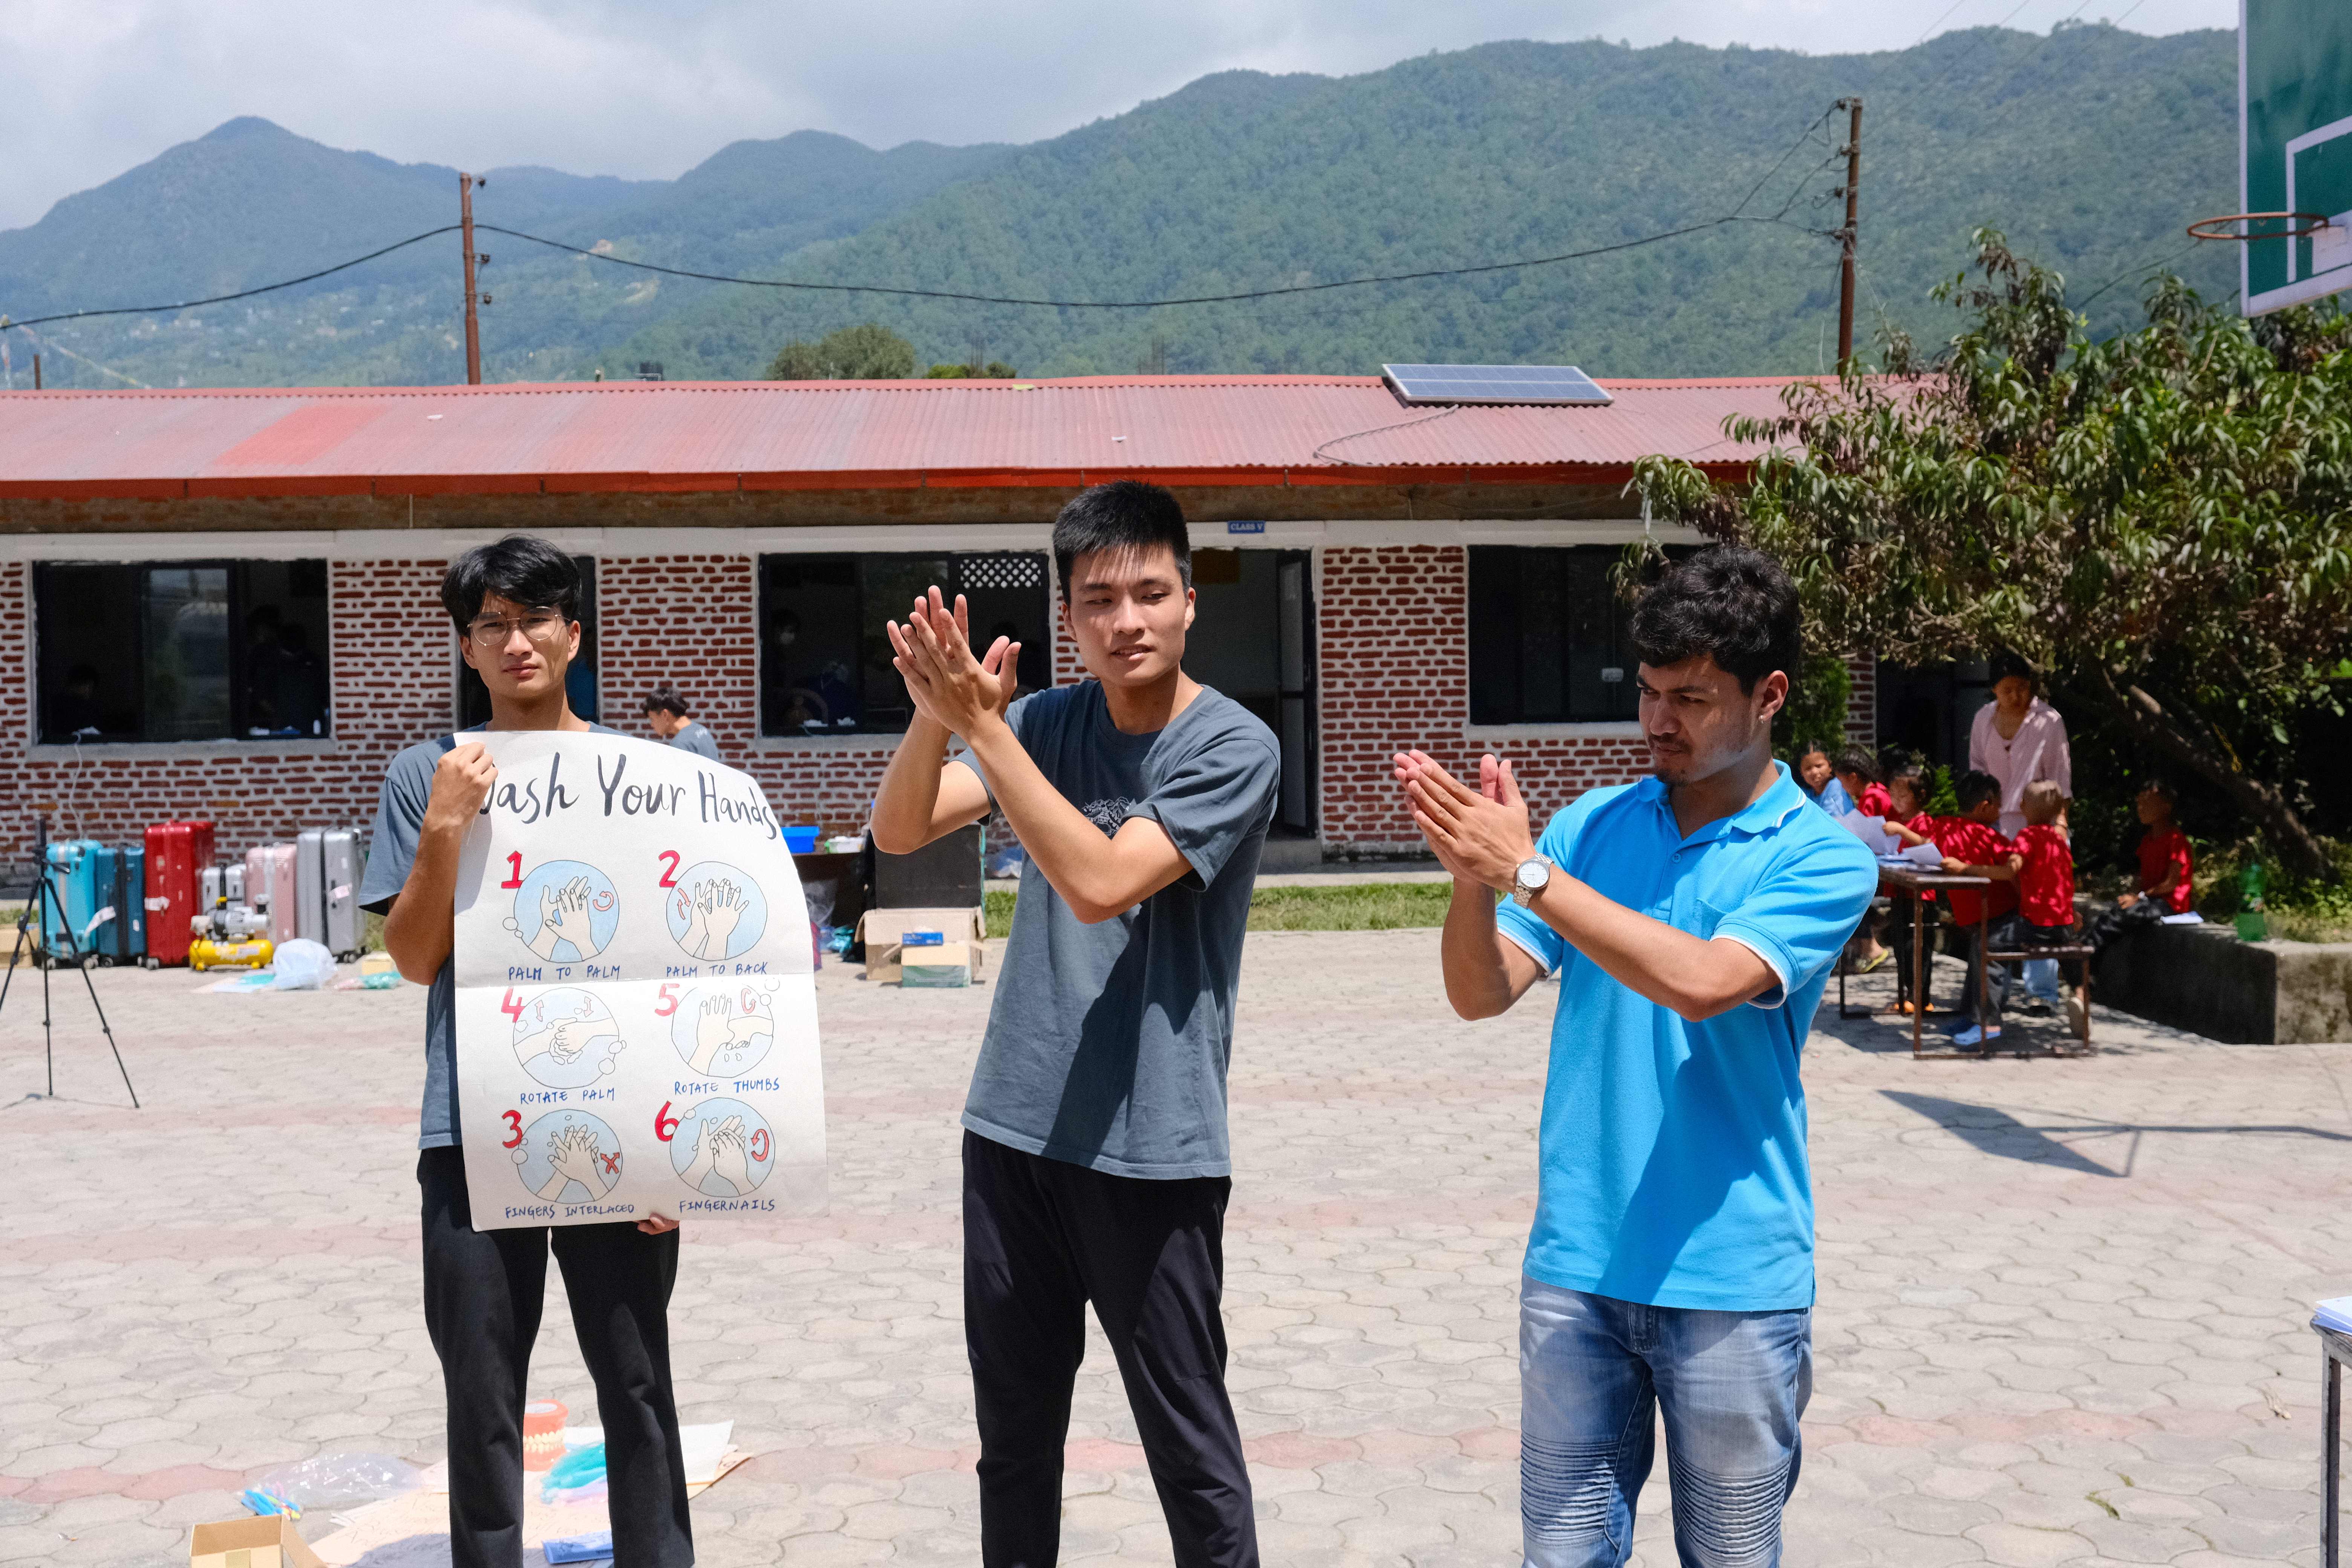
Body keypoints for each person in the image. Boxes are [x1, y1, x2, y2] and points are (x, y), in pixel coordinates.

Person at [1392, 545, 1876, 1568]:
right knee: (1562, 1555)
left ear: (1769, 695)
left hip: (1731, 1279)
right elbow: (1480, 993)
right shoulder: (1594, 826)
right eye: (1649, 692)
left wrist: (1526, 871)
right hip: (1578, 1265)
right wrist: (1475, 878)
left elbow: (1703, 981)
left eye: (1691, 699)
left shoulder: (1820, 853)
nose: (1658, 719)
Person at [868, 480, 1279, 1568]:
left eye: (1150, 593)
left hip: (1151, 1147)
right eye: (1099, 600)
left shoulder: (1232, 746)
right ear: (1070, 616)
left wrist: (982, 727)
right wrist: (934, 711)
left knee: (1188, 1449)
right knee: (1013, 1444)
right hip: (1013, 1131)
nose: (1126, 621)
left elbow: (1101, 882)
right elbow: (900, 829)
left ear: (1190, 601)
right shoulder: (1048, 722)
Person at [360, 536, 693, 1568]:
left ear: (573, 633)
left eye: (536, 618)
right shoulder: (427, 774)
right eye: (491, 625)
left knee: (637, 1384)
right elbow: (413, 957)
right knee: (483, 1395)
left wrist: (670, 1149)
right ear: (467, 648)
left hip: (618, 1126)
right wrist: (445, 828)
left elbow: (684, 967)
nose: (517, 642)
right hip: (473, 1123)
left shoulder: (642, 777)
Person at [1928, 770, 2023, 1050]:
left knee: (1985, 956)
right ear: (1985, 805)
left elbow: (1922, 844)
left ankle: (1987, 1023)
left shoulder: (1943, 827)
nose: (2000, 811)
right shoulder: (1995, 840)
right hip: (2003, 914)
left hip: (1998, 918)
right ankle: (1975, 1018)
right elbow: (2017, 877)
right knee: (1980, 954)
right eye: (1999, 805)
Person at [2005, 779, 2083, 1029]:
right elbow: (2065, 881)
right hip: (2063, 924)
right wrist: (2071, 911)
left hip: (2034, 924)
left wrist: (1975, 869)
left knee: (1992, 940)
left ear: (2023, 807)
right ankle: (2080, 994)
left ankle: (1991, 1002)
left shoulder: (2026, 836)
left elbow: (2013, 869)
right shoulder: (2060, 841)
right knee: (2067, 951)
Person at [1970, 652, 2071, 838]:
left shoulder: (2049, 721)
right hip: (1994, 824)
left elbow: (2061, 777)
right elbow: (1978, 770)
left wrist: (2061, 823)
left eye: (2022, 688)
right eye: (2007, 691)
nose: (2016, 697)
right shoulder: (1983, 719)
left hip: (2040, 824)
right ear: (1995, 689)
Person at [642, 685, 721, 760]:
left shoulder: (680, 744)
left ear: (665, 715)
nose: (652, 725)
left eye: (652, 719)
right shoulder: (701, 729)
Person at [1795, 742, 1853, 815]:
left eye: (1819, 766)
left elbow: (1832, 818)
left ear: (1830, 766)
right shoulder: (1805, 794)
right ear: (1802, 773)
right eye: (1808, 769)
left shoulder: (1835, 785)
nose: (1814, 772)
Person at [1836, 747, 1891, 819]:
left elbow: (1866, 825)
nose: (1842, 787)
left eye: (1841, 782)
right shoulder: (1878, 788)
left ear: (1853, 778)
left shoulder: (1871, 799)